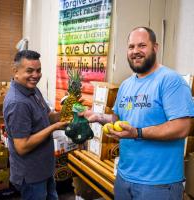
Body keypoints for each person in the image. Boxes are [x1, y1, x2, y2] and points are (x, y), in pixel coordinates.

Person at [80, 27, 194, 200]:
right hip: (124, 177)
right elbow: (121, 121)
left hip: (158, 184)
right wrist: (99, 117)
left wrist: (137, 133)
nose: (135, 51)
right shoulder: (126, 85)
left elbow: (182, 127)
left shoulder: (171, 81)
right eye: (131, 46)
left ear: (155, 47)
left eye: (142, 45)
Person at [3, 50, 68, 200]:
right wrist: (54, 128)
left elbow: (46, 117)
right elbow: (22, 146)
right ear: (15, 71)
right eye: (30, 71)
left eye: (38, 70)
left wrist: (66, 113)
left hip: (44, 168)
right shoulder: (17, 103)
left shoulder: (32, 89)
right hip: (31, 175)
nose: (36, 75)